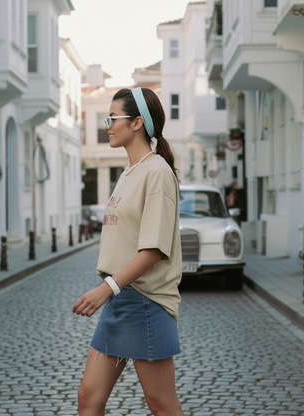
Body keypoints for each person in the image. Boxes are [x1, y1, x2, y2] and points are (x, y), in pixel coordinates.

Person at [72, 87, 184, 416]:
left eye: (112, 118)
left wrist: (105, 289)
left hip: (145, 301)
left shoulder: (158, 173)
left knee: (161, 403)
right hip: (120, 299)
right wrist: (111, 291)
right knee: (88, 398)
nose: (106, 125)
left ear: (136, 123)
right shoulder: (129, 174)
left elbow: (153, 251)